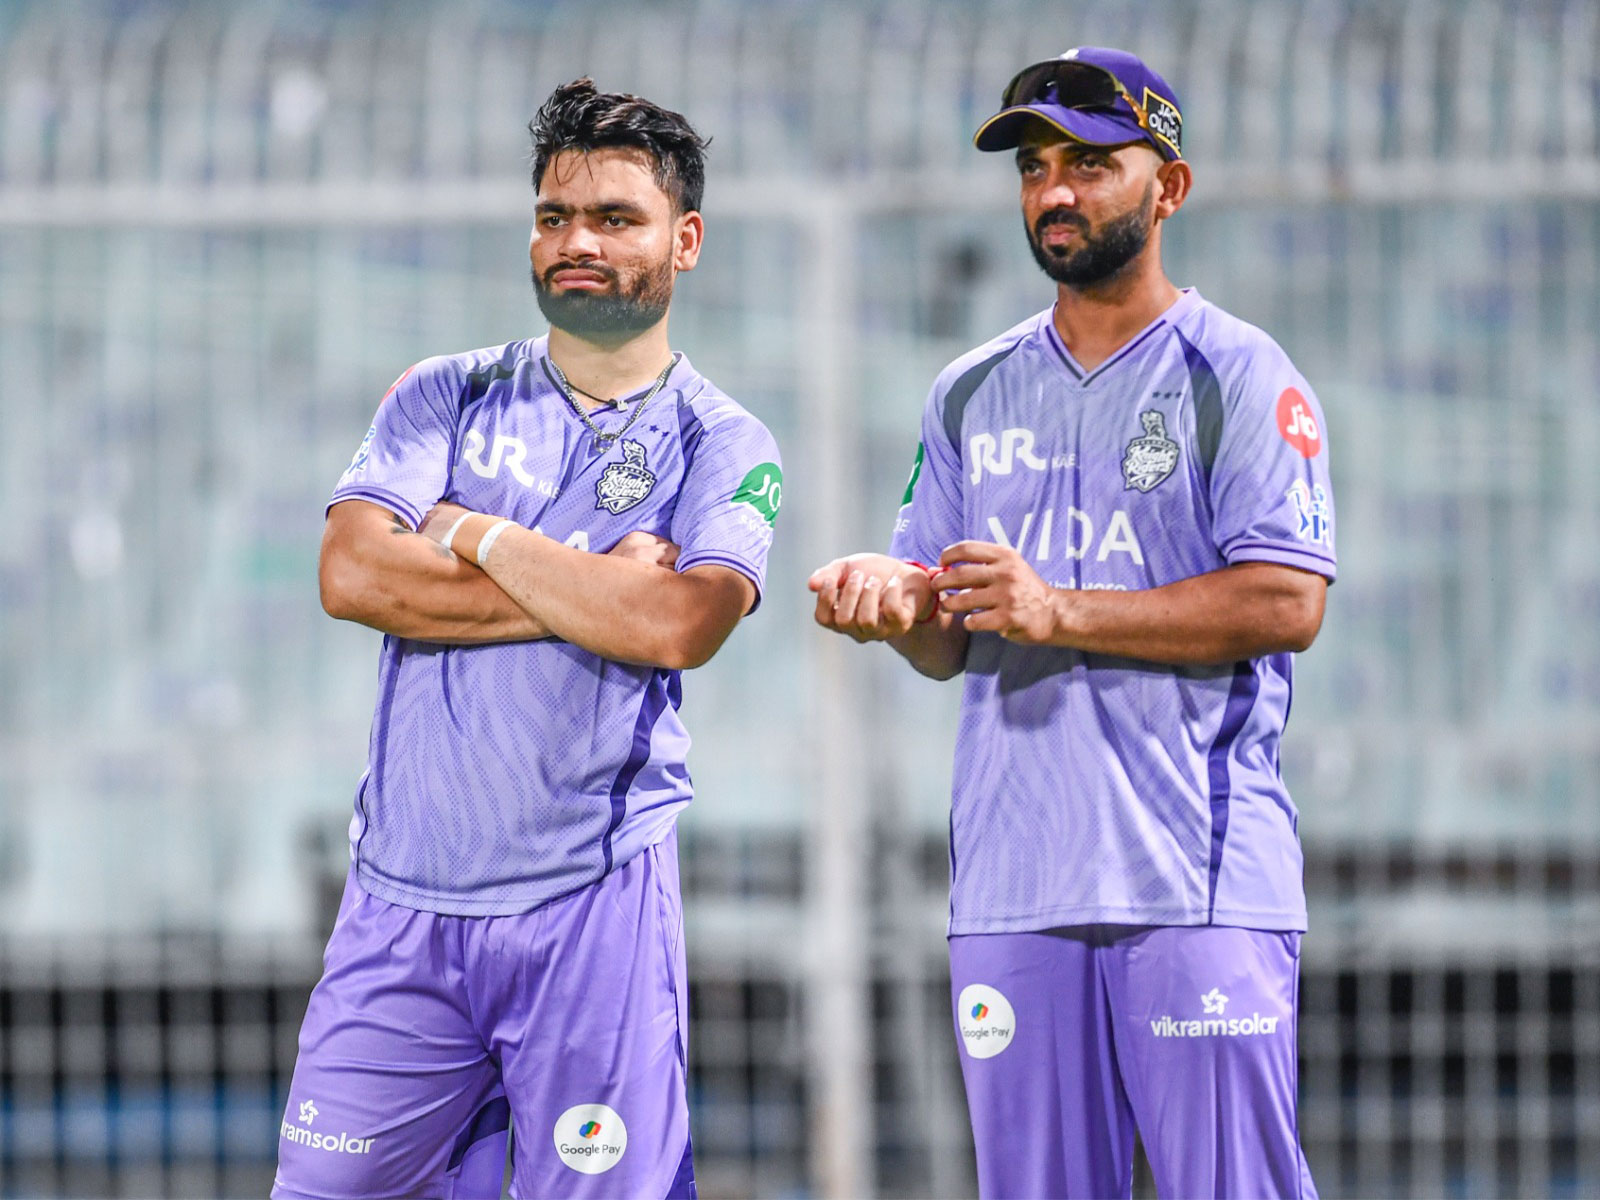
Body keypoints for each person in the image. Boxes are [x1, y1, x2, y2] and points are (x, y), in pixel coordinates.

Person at [810, 47, 1332, 1199]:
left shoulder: (1239, 375)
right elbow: (947, 633)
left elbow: (1289, 599)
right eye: (1036, 167)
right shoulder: (969, 388)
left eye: (1091, 164)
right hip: (1011, 893)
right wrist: (892, 604)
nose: (1054, 192)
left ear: (1170, 187)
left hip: (1192, 887)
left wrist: (1056, 609)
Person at [274, 79, 782, 1199]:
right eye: (555, 217)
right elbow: (352, 572)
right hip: (400, 906)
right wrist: (592, 586)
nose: (576, 243)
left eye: (614, 218)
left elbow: (682, 623)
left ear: (683, 239)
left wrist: (472, 535)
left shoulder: (724, 440)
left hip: (590, 908)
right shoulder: (440, 396)